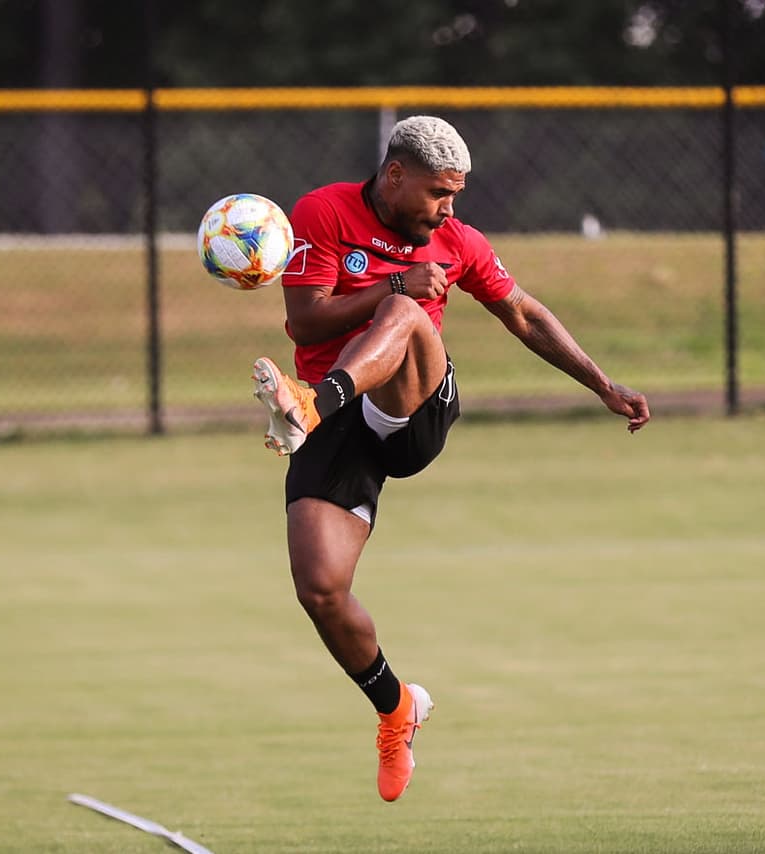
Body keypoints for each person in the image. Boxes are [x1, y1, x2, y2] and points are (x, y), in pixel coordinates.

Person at [251, 115, 650, 803]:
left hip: (414, 408)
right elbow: (305, 320)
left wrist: (603, 383)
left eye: (455, 195)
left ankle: (309, 403)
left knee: (407, 319)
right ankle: (396, 708)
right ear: (395, 174)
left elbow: (523, 313)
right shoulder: (322, 211)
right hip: (342, 423)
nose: (449, 209)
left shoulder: (456, 241)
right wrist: (395, 284)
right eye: (439, 193)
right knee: (320, 590)